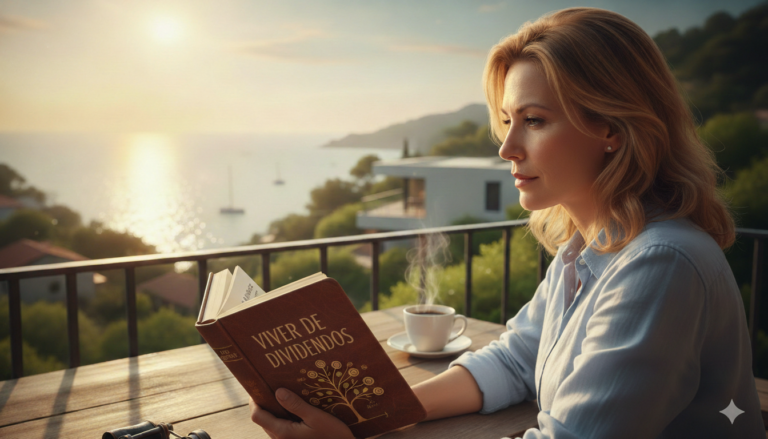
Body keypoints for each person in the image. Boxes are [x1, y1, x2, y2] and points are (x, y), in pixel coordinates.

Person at [249, 7, 765, 438]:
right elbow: (515, 360)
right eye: (508, 120)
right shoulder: (588, 251)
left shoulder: (660, 265)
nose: (506, 148)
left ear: (610, 126)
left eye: (534, 121)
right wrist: (370, 417)